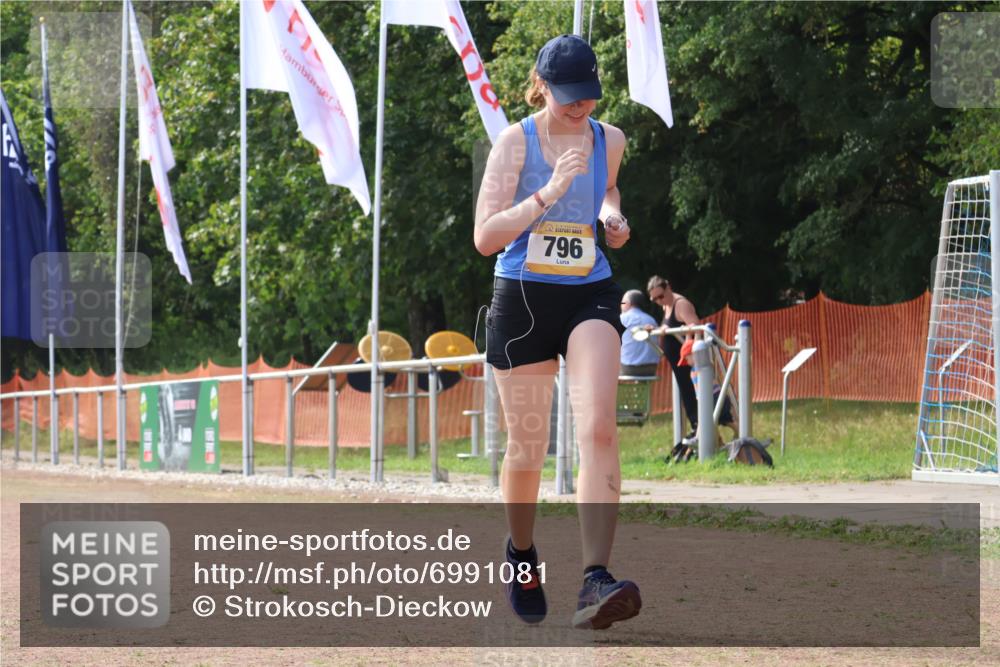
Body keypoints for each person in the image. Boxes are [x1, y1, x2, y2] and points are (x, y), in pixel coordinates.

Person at [474, 34, 641, 630]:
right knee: (527, 448)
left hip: (588, 290)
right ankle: (521, 553)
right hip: (521, 299)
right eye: (568, 96)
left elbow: (609, 188)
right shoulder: (514, 143)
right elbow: (485, 236)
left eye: (588, 96)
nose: (580, 107)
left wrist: (609, 216)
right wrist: (547, 193)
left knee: (597, 425)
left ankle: (595, 577)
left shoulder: (609, 140)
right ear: (541, 85)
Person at [646, 275, 700, 443]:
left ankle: (700, 429)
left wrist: (693, 353)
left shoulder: (680, 304)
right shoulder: (667, 306)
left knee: (694, 395)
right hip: (678, 362)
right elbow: (671, 327)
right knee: (687, 396)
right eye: (654, 299)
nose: (659, 301)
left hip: (688, 361)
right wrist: (656, 329)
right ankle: (698, 429)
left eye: (661, 296)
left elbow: (696, 327)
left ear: (668, 287)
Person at [619, 289, 660, 377]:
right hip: (651, 368)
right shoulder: (651, 320)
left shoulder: (622, 319)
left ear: (628, 303)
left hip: (628, 368)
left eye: (622, 303)